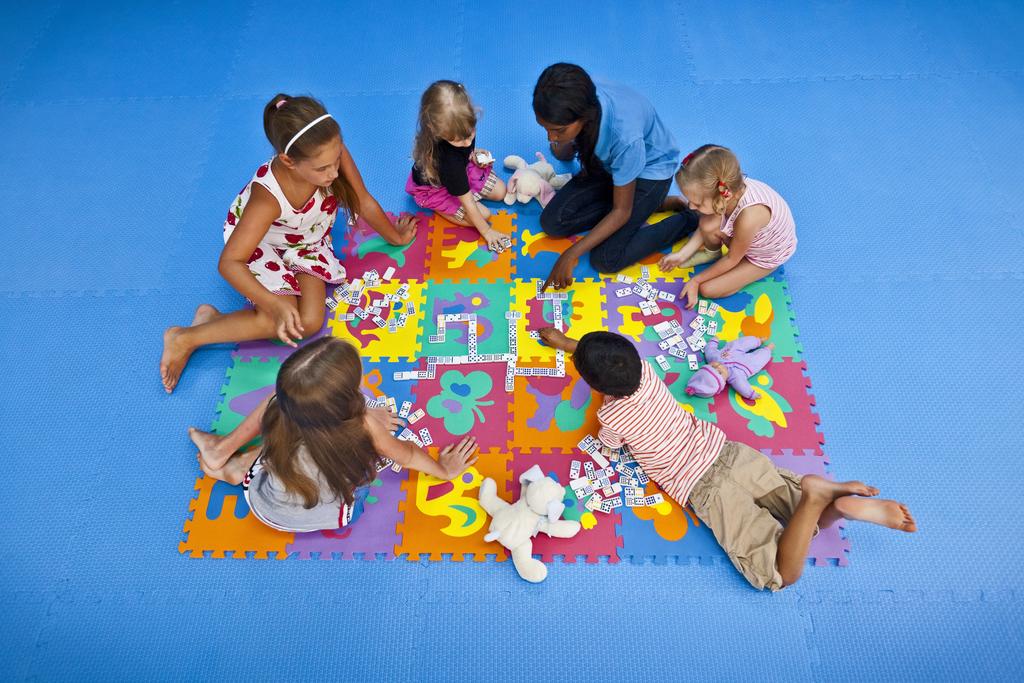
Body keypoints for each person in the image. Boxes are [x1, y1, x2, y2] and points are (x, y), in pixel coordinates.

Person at [537, 328, 916, 591]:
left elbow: (609, 445)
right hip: (728, 452)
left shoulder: (611, 416)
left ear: (594, 385)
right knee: (800, 513)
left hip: (702, 487)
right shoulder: (647, 372)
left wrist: (573, 357)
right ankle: (839, 505)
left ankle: (817, 496)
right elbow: (615, 358)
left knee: (780, 573)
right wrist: (569, 344)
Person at [160, 93, 417, 393]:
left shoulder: (328, 152)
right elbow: (229, 263)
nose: (334, 173)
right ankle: (184, 337)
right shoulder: (267, 198)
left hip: (306, 241)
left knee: (307, 324)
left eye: (336, 160)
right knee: (279, 319)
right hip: (262, 247)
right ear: (288, 161)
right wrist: (272, 304)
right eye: (323, 169)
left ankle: (212, 321)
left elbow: (363, 199)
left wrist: (396, 237)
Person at [188, 337, 478, 532]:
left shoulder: (284, 410)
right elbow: (407, 455)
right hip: (332, 513)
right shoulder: (364, 426)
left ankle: (235, 465)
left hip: (268, 501)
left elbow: (297, 410)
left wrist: (364, 413)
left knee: (278, 405)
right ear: (347, 397)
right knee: (348, 465)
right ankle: (235, 468)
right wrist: (444, 470)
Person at [532, 63, 698, 288]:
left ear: (585, 117)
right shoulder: (578, 94)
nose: (550, 137)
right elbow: (563, 153)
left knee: (605, 259)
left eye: (558, 130)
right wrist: (562, 139)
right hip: (612, 166)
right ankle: (652, 204)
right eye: (545, 128)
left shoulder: (624, 139)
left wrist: (570, 254)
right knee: (552, 223)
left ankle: (688, 219)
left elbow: (621, 212)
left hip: (650, 173)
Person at [659, 144, 797, 308]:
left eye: (698, 203)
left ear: (724, 196)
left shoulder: (748, 218)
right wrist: (682, 255)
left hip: (764, 257)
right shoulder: (728, 188)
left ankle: (742, 277)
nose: (691, 207)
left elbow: (732, 259)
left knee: (708, 289)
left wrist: (696, 280)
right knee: (707, 222)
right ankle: (712, 254)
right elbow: (706, 225)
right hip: (743, 237)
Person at [406, 80, 509, 252]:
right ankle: (437, 206)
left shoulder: (461, 125)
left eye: (470, 133)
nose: (468, 142)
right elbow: (468, 202)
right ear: (437, 131)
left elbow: (465, 146)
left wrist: (473, 154)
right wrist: (487, 231)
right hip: (436, 188)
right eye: (460, 140)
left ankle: (462, 189)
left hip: (461, 171)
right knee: (484, 216)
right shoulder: (448, 163)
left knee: (501, 192)